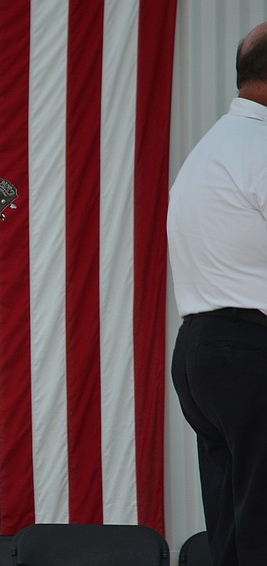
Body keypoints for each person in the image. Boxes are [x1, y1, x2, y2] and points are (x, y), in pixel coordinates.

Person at [167, 21, 267, 566]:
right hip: (248, 348)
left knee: (231, 528)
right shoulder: (259, 147)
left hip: (202, 350)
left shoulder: (211, 148)